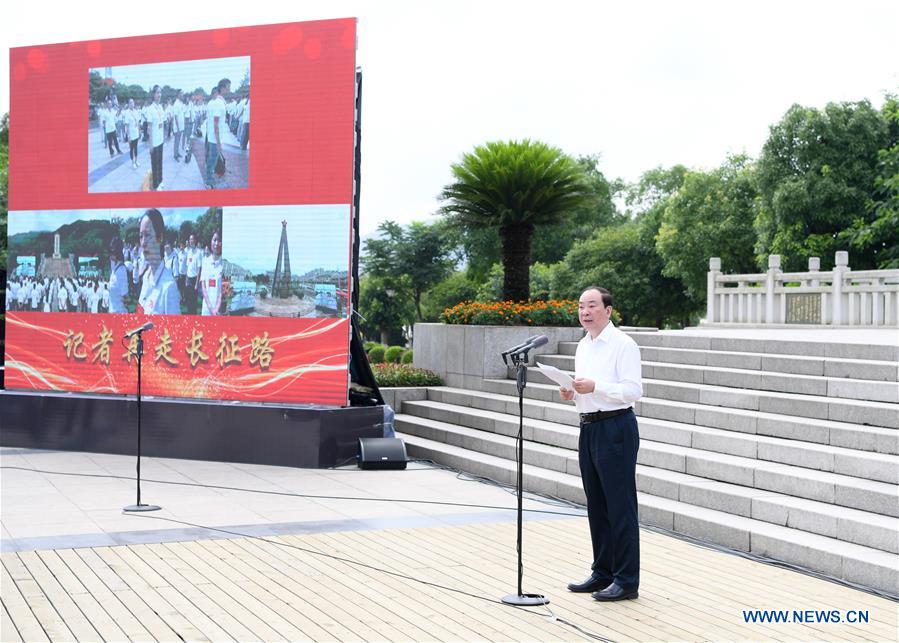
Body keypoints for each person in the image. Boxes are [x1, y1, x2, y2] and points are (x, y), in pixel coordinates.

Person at [561, 286, 643, 602]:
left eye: (592, 305)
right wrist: (572, 392)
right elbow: (587, 390)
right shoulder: (583, 346)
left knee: (620, 506)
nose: (585, 311)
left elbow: (632, 390)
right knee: (596, 503)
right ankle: (603, 572)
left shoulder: (624, 345)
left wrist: (597, 386)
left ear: (608, 310)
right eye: (581, 306)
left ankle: (626, 580)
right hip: (589, 428)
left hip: (616, 428)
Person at [137, 209, 180, 315]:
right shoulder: (146, 277)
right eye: (141, 236)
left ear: (159, 238)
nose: (143, 243)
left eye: (147, 235)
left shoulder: (169, 287)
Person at [205, 78, 230, 189]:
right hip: (215, 138)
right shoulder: (218, 104)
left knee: (212, 158)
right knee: (212, 158)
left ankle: (209, 176)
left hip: (213, 137)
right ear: (223, 88)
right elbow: (216, 125)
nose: (229, 89)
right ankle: (208, 179)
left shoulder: (216, 102)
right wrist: (219, 142)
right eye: (228, 87)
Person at [199, 230, 223, 315]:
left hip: (219, 311)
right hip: (206, 309)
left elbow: (223, 290)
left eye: (219, 241)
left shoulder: (224, 264)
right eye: (214, 240)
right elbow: (203, 286)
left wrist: (216, 309)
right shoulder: (205, 261)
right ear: (210, 241)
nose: (216, 243)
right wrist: (210, 308)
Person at [146, 85, 166, 190]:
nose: (159, 95)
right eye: (157, 93)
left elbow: (163, 122)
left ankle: (160, 180)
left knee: (160, 161)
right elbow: (149, 128)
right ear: (153, 95)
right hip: (154, 142)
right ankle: (155, 184)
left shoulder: (161, 107)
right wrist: (150, 144)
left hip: (160, 140)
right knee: (155, 164)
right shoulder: (150, 109)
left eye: (160, 92)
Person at [107, 237, 129, 313]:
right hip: (112, 312)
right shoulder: (114, 270)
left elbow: (125, 296)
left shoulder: (121, 270)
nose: (110, 256)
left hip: (119, 313)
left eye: (112, 253)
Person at [182, 233, 203, 314]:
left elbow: (199, 268)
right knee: (188, 301)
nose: (191, 241)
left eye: (192, 239)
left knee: (194, 302)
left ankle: (193, 317)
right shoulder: (189, 252)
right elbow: (188, 266)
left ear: (195, 240)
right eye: (190, 239)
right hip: (189, 279)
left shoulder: (198, 253)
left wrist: (197, 283)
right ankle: (189, 316)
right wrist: (186, 280)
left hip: (195, 279)